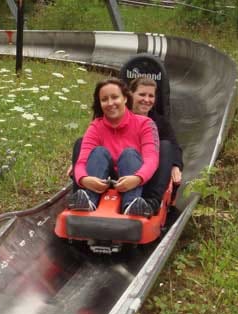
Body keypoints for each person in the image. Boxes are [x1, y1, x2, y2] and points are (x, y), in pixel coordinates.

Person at [68, 78, 160, 217]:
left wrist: (137, 178)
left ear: (125, 98)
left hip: (134, 179)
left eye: (115, 97)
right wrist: (84, 179)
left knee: (129, 153)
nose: (110, 103)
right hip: (104, 180)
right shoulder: (95, 127)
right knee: (99, 152)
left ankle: (132, 204)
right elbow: (81, 162)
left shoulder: (145, 123)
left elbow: (151, 159)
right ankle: (87, 202)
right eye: (104, 99)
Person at [129, 77, 183, 212]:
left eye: (150, 96)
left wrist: (175, 165)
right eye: (142, 94)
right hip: (123, 167)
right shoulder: (119, 117)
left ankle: (152, 201)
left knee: (166, 145)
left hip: (151, 172)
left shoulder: (160, 123)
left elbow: (174, 146)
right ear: (131, 94)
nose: (146, 100)